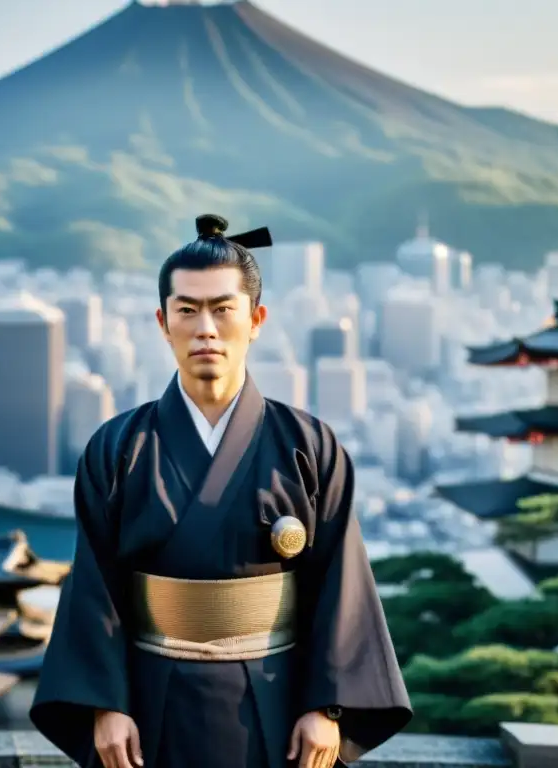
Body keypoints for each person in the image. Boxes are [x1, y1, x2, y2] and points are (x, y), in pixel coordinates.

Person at [31, 214, 412, 768]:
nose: (204, 328)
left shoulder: (308, 446)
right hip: (145, 703)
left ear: (256, 319)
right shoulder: (117, 448)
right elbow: (94, 586)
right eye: (186, 310)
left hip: (277, 704)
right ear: (162, 323)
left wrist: (328, 708)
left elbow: (341, 582)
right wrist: (103, 706)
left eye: (222, 309)